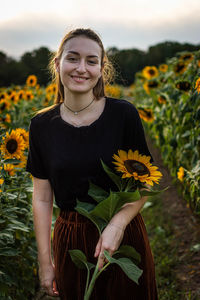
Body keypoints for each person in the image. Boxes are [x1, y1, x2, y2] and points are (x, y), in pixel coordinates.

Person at [26, 28, 158, 300]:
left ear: (101, 68)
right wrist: (44, 262)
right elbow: (41, 198)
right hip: (70, 240)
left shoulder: (123, 115)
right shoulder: (41, 125)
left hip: (122, 237)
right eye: (73, 58)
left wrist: (118, 225)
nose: (81, 68)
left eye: (91, 60)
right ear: (57, 63)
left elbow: (145, 182)